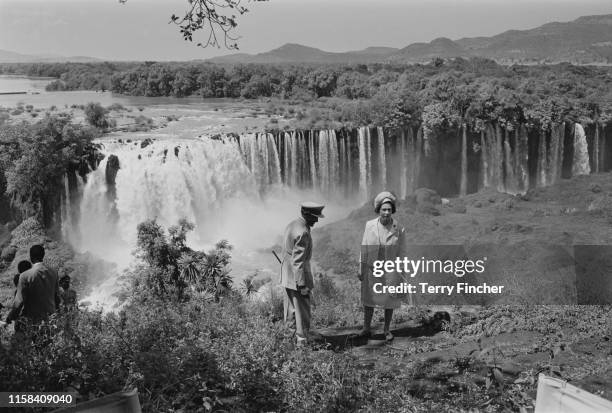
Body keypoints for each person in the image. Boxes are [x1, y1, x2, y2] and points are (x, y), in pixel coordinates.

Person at [356, 191, 408, 342]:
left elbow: (402, 252)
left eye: (389, 210)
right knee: (368, 299)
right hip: (372, 268)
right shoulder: (369, 225)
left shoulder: (399, 229)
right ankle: (366, 328)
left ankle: (386, 330)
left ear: (393, 211)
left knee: (389, 300)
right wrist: (361, 267)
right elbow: (364, 247)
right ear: (378, 210)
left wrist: (403, 271)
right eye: (383, 209)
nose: (386, 212)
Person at [280, 202, 324, 345]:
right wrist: (302, 284)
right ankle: (302, 341)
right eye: (314, 217)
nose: (317, 220)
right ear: (306, 214)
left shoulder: (293, 224)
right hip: (298, 276)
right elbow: (298, 261)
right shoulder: (303, 232)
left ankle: (289, 339)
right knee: (303, 311)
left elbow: (289, 253)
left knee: (291, 309)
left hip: (287, 274)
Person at [6, 245, 60, 328]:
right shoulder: (54, 272)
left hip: (34, 321)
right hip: (51, 319)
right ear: (43, 255)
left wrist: (11, 317)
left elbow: (19, 301)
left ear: (31, 257)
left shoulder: (25, 275)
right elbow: (57, 297)